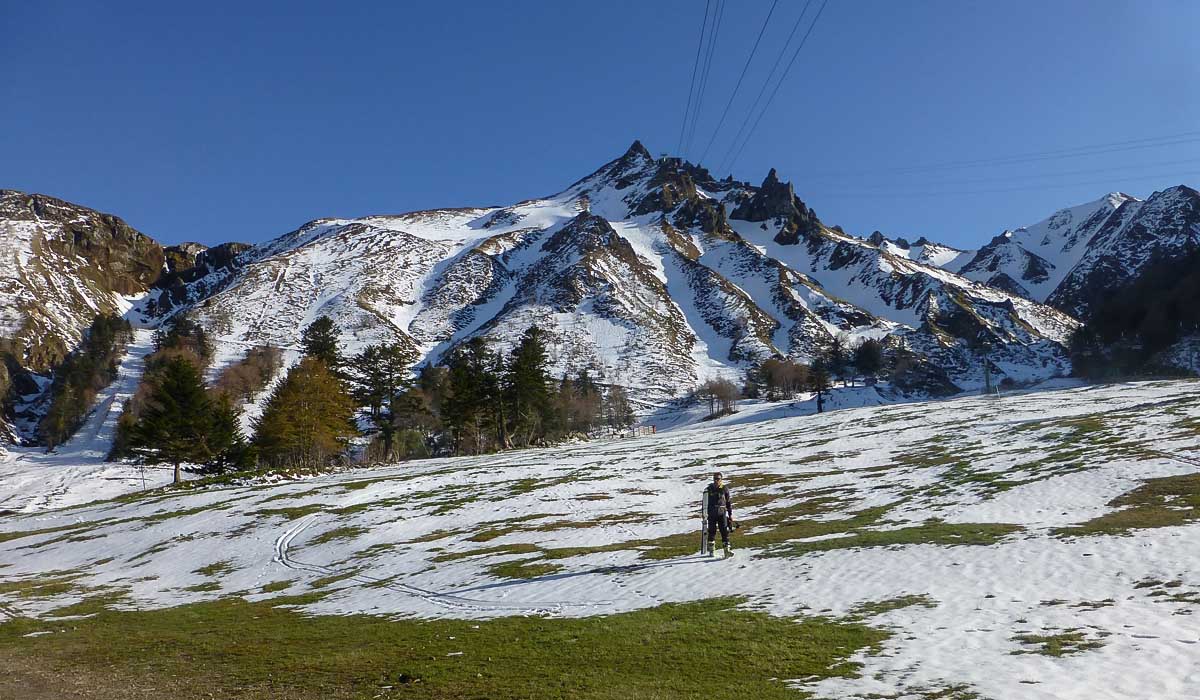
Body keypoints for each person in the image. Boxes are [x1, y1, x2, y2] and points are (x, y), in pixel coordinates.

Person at [705, 471, 734, 557]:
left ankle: (726, 550)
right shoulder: (708, 489)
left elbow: (728, 502)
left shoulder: (725, 489)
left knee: (724, 531)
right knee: (712, 531)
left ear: (721, 479)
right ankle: (711, 550)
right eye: (715, 479)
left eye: (718, 479)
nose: (716, 480)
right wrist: (704, 513)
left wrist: (730, 514)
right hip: (711, 513)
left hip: (722, 513)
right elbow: (704, 502)